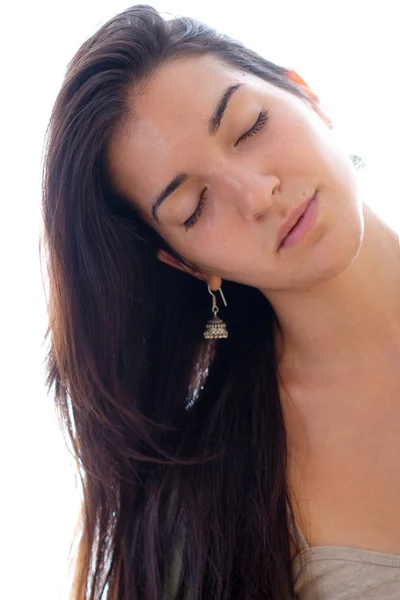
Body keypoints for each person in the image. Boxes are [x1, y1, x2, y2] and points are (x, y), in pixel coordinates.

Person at [40, 4, 400, 599]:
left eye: (250, 126)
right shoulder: (204, 501)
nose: (258, 195)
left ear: (306, 95)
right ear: (184, 261)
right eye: (194, 207)